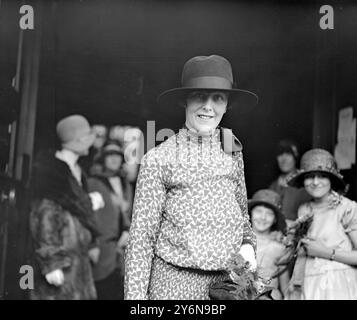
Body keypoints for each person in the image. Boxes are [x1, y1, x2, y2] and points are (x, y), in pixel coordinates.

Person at [125, 55, 259, 300]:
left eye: (218, 98)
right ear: (184, 101)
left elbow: (243, 217)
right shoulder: (159, 158)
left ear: (227, 104)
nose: (208, 106)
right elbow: (141, 240)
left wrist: (248, 246)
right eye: (200, 96)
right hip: (174, 287)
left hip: (225, 288)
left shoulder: (232, 151)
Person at [29, 114, 104, 300]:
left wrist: (92, 242)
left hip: (76, 260)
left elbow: (79, 213)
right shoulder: (53, 173)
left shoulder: (76, 171)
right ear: (78, 142)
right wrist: (52, 263)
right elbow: (45, 217)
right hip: (62, 260)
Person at [286, 148, 357, 300]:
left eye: (322, 176)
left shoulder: (346, 208)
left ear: (331, 180)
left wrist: (326, 252)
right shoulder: (304, 209)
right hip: (309, 283)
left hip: (338, 285)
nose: (316, 182)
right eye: (310, 177)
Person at [87, 140, 131, 299]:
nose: (114, 159)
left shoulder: (126, 183)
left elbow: (129, 212)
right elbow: (89, 216)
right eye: (110, 155)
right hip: (102, 248)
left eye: (118, 156)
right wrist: (92, 243)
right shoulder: (93, 182)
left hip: (122, 250)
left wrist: (127, 231)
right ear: (103, 159)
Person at [248, 189, 289, 300]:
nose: (263, 217)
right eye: (258, 211)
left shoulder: (280, 247)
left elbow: (285, 287)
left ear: (275, 219)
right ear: (250, 213)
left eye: (269, 214)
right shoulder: (239, 241)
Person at [269, 139, 311, 226]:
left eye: (288, 154)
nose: (284, 159)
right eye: (280, 154)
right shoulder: (273, 186)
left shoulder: (304, 184)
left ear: (295, 157)